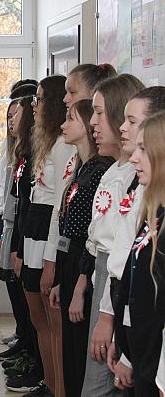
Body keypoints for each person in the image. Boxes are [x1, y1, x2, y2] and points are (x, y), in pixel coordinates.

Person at [78, 74, 144, 397]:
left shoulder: (136, 176)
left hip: (116, 287)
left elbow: (122, 254)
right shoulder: (112, 170)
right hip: (103, 278)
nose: (93, 122)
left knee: (99, 386)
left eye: (99, 113)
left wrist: (107, 315)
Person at [14, 74, 74, 397]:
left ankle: (59, 387)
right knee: (39, 320)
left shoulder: (64, 145)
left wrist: (51, 258)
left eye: (38, 100)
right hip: (34, 231)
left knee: (53, 324)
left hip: (48, 232)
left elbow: (60, 203)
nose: (33, 106)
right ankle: (49, 384)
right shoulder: (46, 141)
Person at [48, 99, 113, 397]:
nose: (63, 125)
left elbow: (93, 234)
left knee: (79, 351)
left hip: (84, 264)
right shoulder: (82, 167)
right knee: (71, 352)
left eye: (70, 119)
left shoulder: (100, 170)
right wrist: (62, 279)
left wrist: (79, 284)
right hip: (70, 259)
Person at [105, 87, 165, 393]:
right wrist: (126, 347)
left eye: (144, 148)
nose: (135, 158)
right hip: (140, 351)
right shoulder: (154, 211)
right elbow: (132, 277)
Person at [3, 96, 46, 393]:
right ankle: (31, 357)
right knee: (30, 311)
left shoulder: (35, 156)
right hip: (24, 236)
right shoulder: (22, 155)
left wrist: (19, 246)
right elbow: (20, 205)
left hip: (35, 241)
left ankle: (39, 368)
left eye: (16, 114)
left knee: (40, 318)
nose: (12, 120)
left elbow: (33, 207)